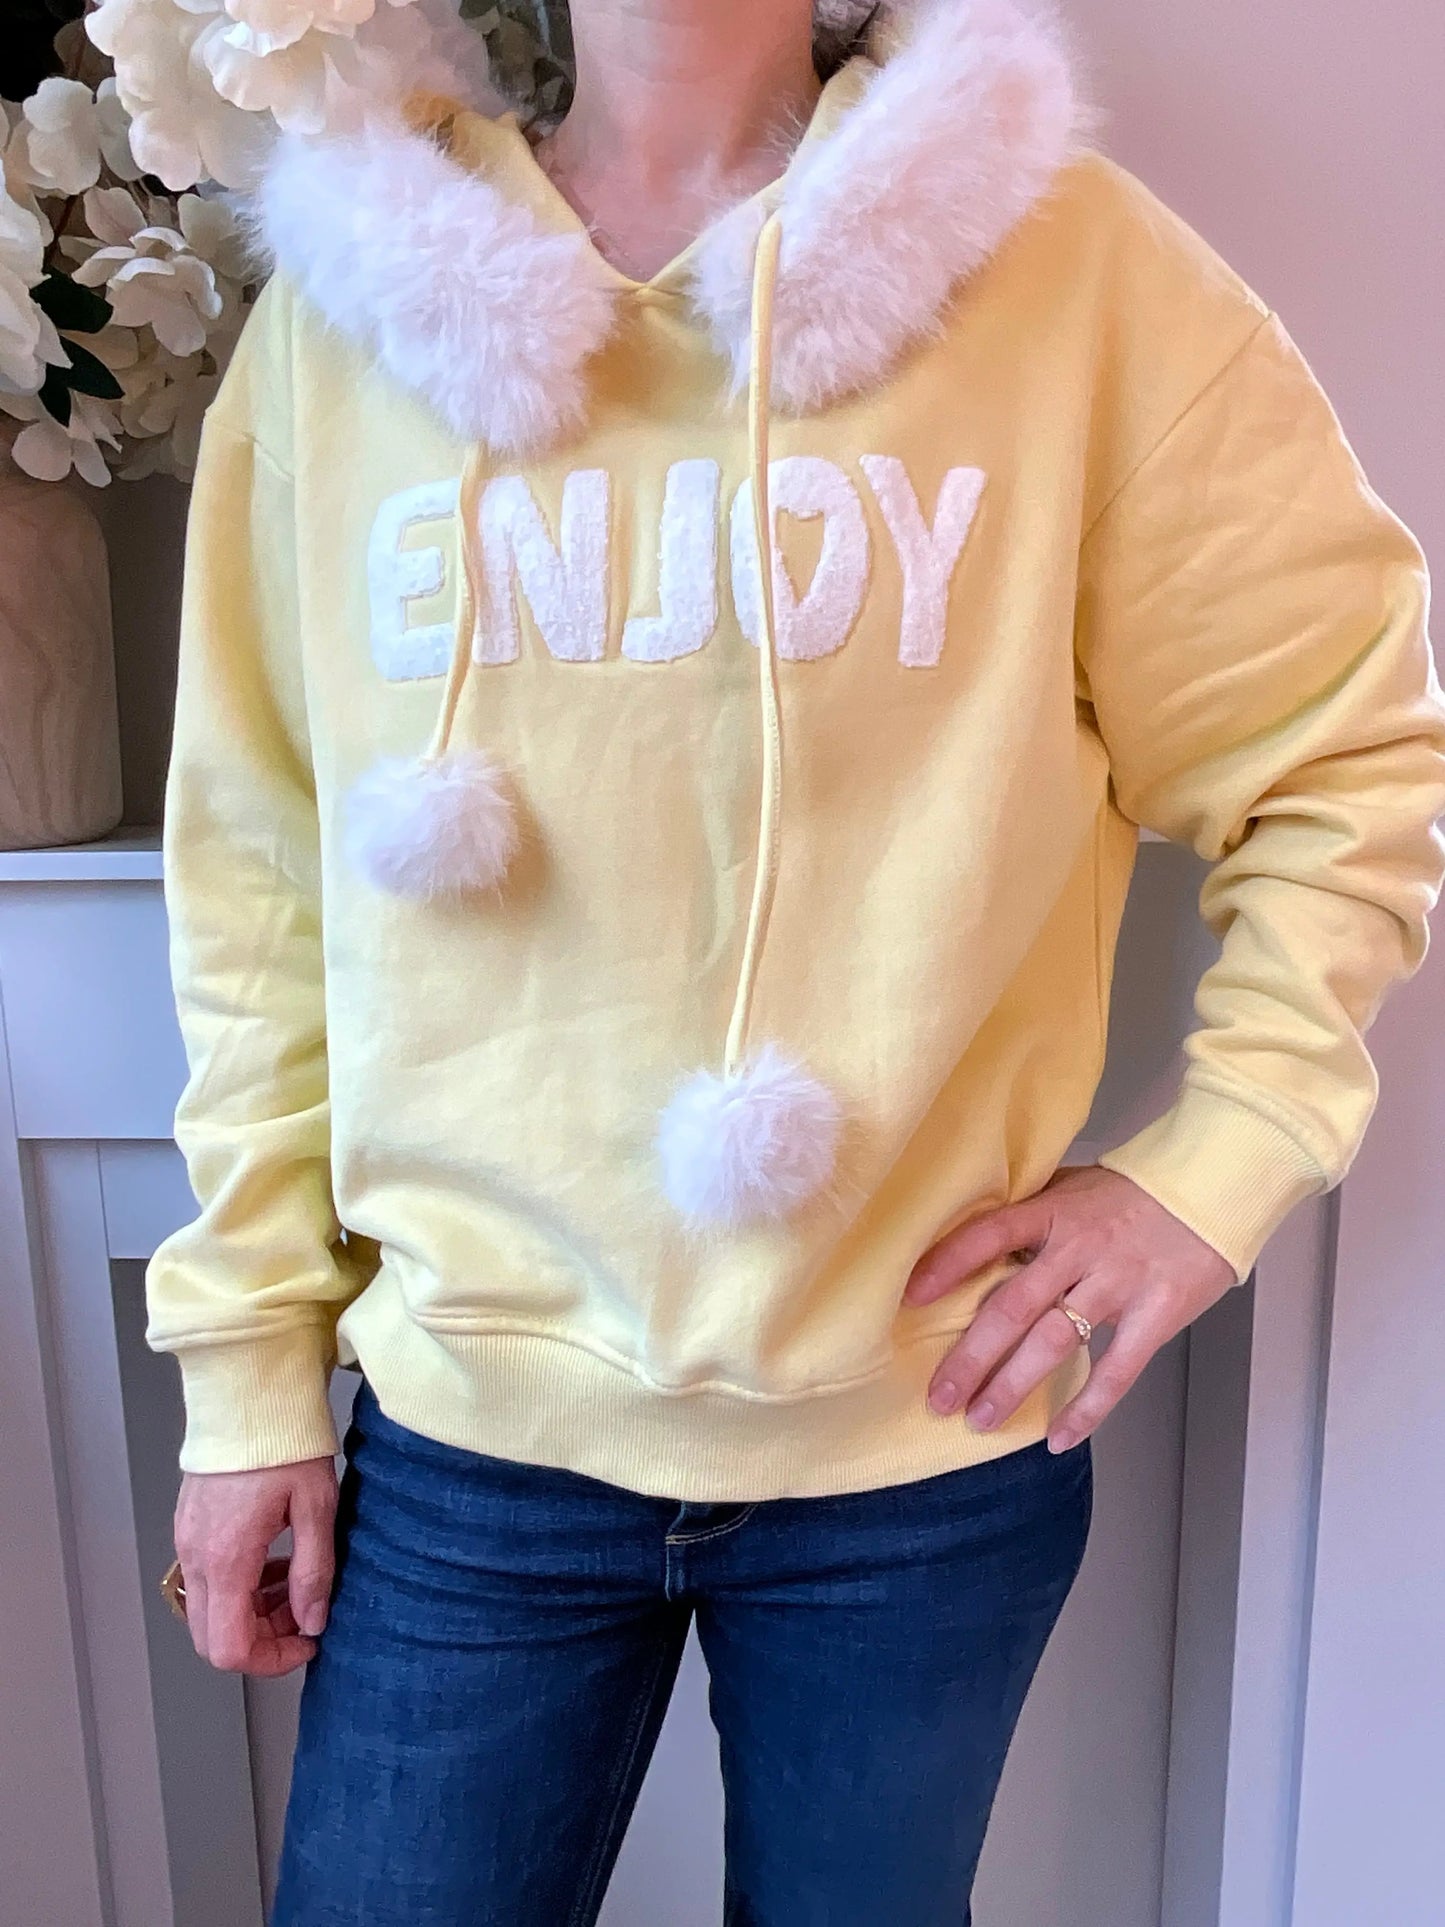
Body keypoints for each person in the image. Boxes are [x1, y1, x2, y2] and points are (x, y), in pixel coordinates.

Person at [149, 0, 1445, 1920]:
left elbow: (1342, 758)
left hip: (923, 1441)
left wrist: (1217, 1164)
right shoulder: (344, 312)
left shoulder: (1076, 280)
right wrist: (250, 1368)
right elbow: (259, 882)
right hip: (466, 1434)